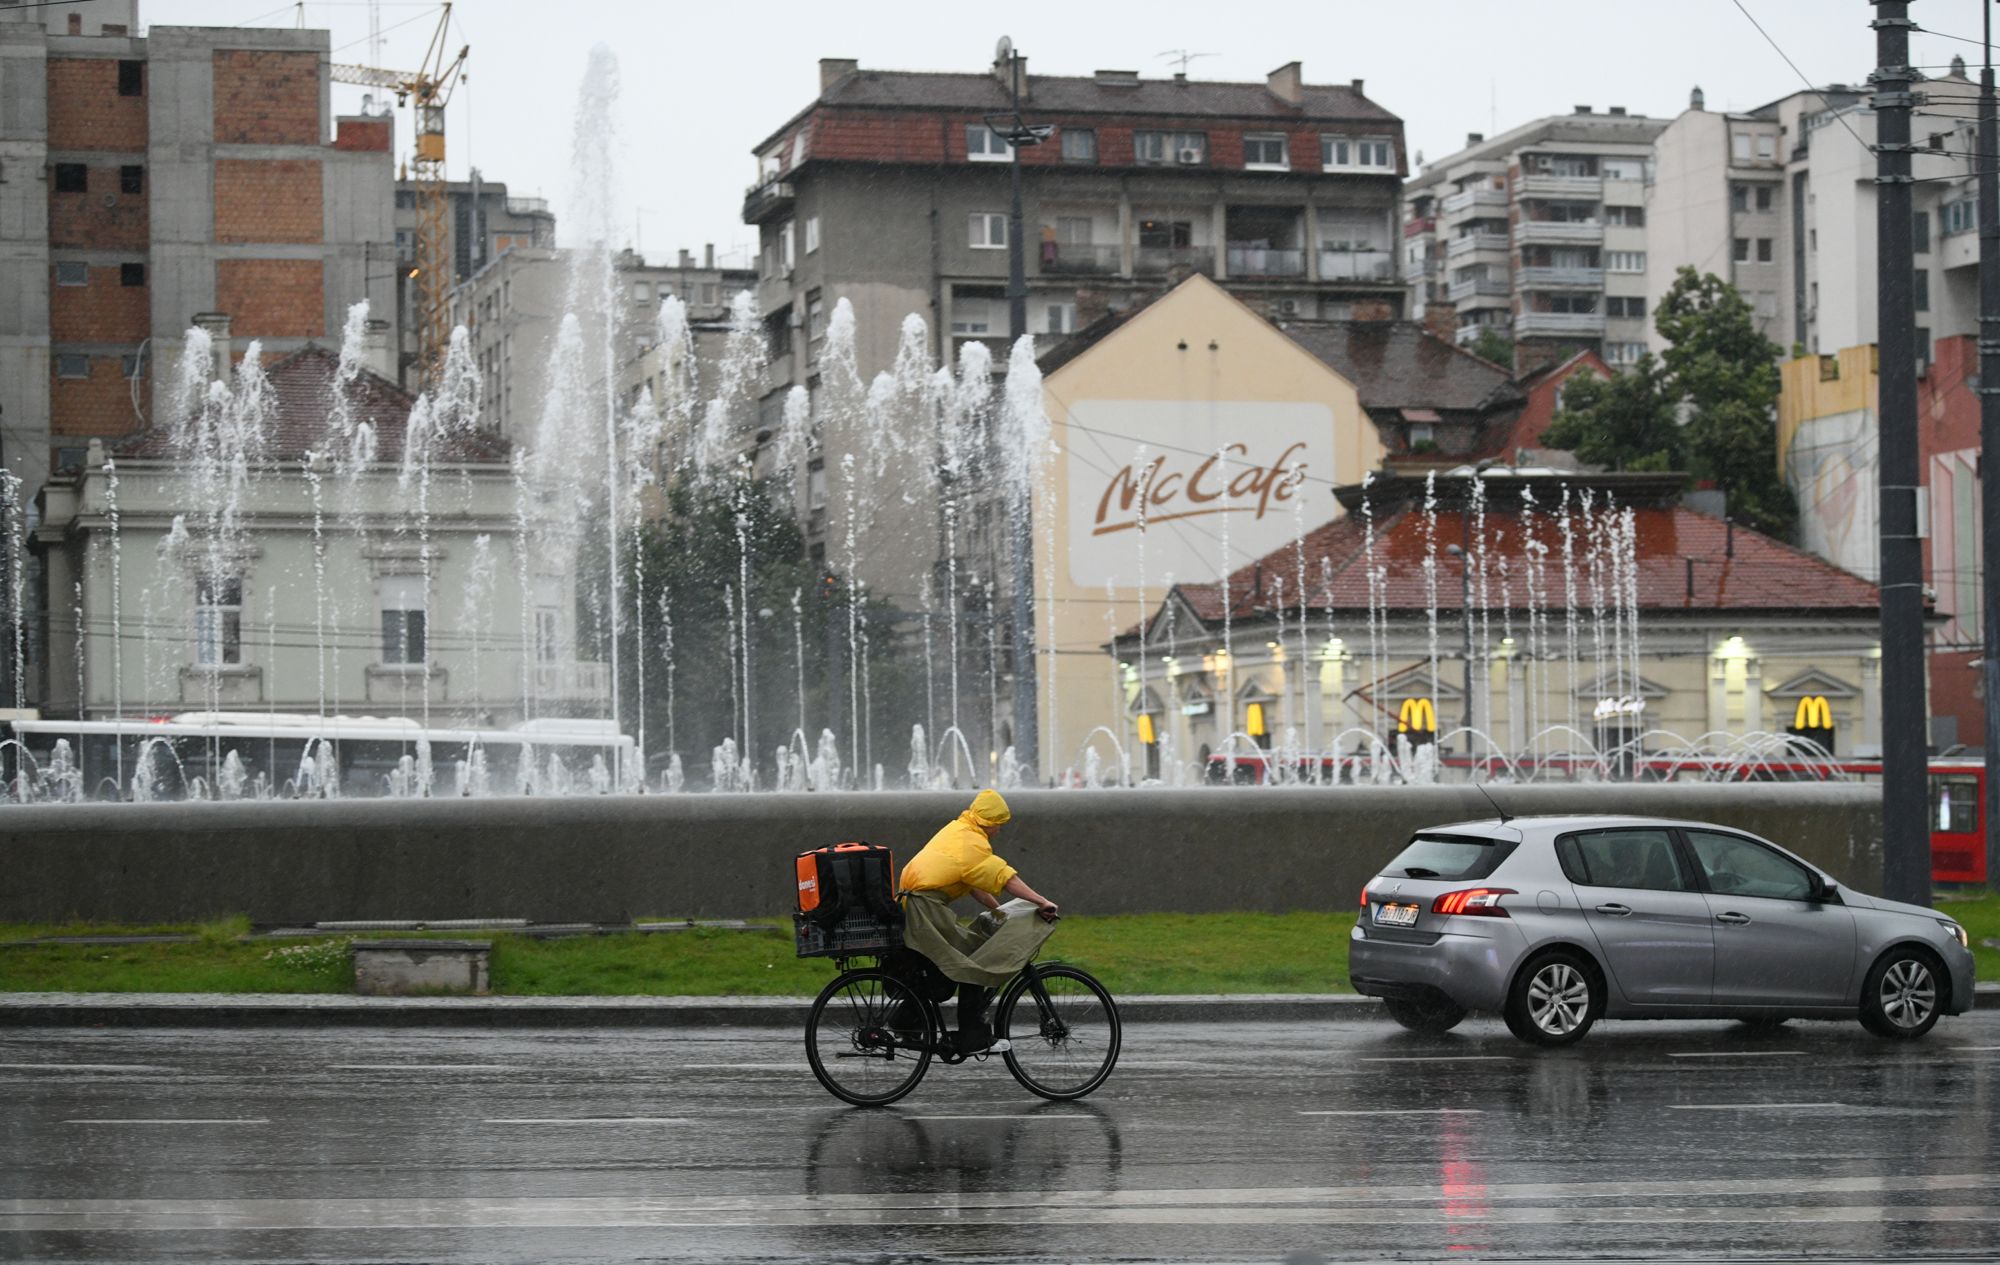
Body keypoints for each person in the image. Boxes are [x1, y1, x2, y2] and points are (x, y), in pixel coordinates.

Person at [898, 788, 1059, 1055]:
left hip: (917, 907)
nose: (999, 830)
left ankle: (905, 1020)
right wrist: (1041, 901)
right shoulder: (971, 842)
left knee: (944, 970)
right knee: (972, 962)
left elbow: (975, 884)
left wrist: (1000, 912)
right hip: (924, 910)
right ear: (990, 822)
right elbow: (1004, 877)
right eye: (999, 824)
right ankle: (973, 1038)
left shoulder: (958, 830)